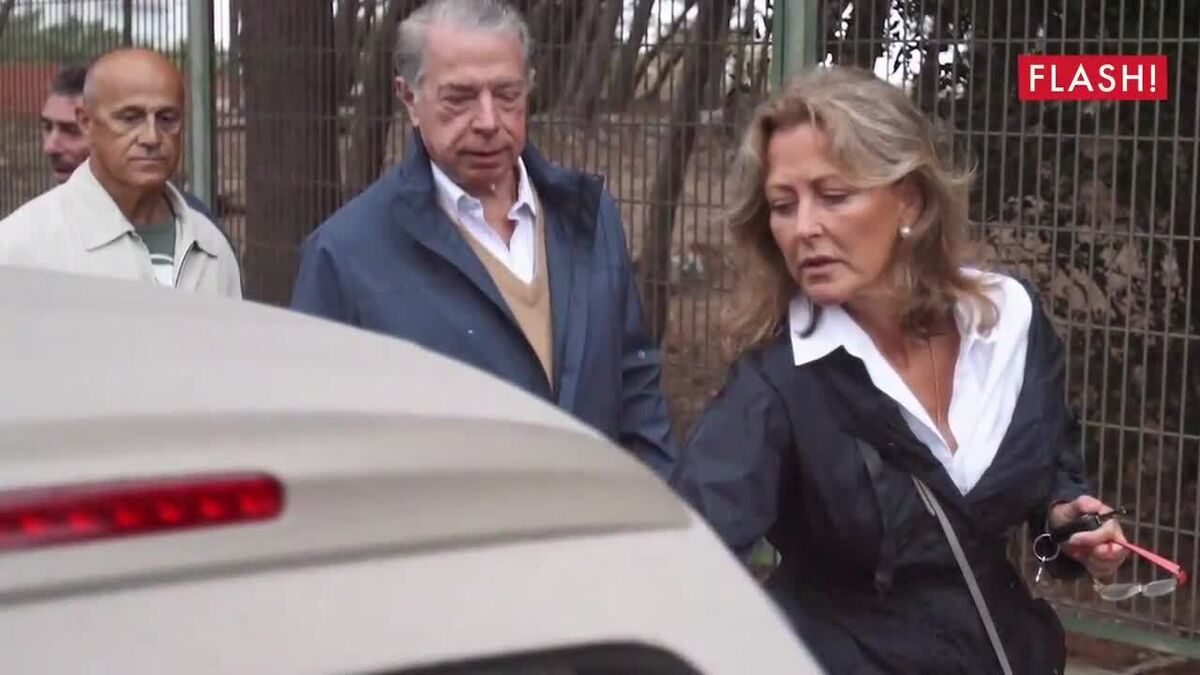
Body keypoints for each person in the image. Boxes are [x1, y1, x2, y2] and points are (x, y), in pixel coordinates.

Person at [672, 66, 1127, 674]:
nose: (804, 228)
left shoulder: (1008, 325)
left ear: (909, 199)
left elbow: (1051, 471)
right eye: (783, 205)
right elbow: (683, 567)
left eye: (834, 196)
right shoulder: (780, 382)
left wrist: (1069, 519)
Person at [290, 0, 675, 478]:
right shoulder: (345, 257)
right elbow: (320, 452)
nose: (489, 121)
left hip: (595, 520)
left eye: (507, 95)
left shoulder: (587, 219)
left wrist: (658, 508)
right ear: (409, 98)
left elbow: (635, 386)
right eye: (460, 98)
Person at [0, 49, 241, 298]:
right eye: (130, 119)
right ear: (86, 122)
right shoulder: (21, 248)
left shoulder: (211, 247)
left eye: (167, 119)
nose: (151, 137)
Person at [38, 61, 216, 219]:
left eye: (72, 131)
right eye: (47, 127)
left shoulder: (198, 227)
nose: (50, 147)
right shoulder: (34, 230)